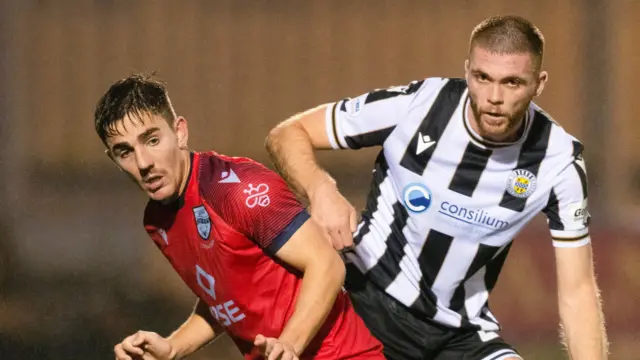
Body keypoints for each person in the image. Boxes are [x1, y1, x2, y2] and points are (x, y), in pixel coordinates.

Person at [265, 15, 608, 360]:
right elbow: (288, 133)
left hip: (460, 335)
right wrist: (321, 189)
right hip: (364, 301)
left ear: (539, 83)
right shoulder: (418, 105)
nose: (493, 97)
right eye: (482, 77)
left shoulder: (558, 160)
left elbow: (578, 291)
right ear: (467, 70)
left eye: (512, 83)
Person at [94, 74, 384, 360]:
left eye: (153, 140)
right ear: (114, 160)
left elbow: (326, 263)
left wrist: (290, 345)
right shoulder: (157, 221)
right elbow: (226, 299)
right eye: (125, 152)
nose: (143, 162)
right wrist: (172, 348)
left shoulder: (235, 191)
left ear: (180, 132)